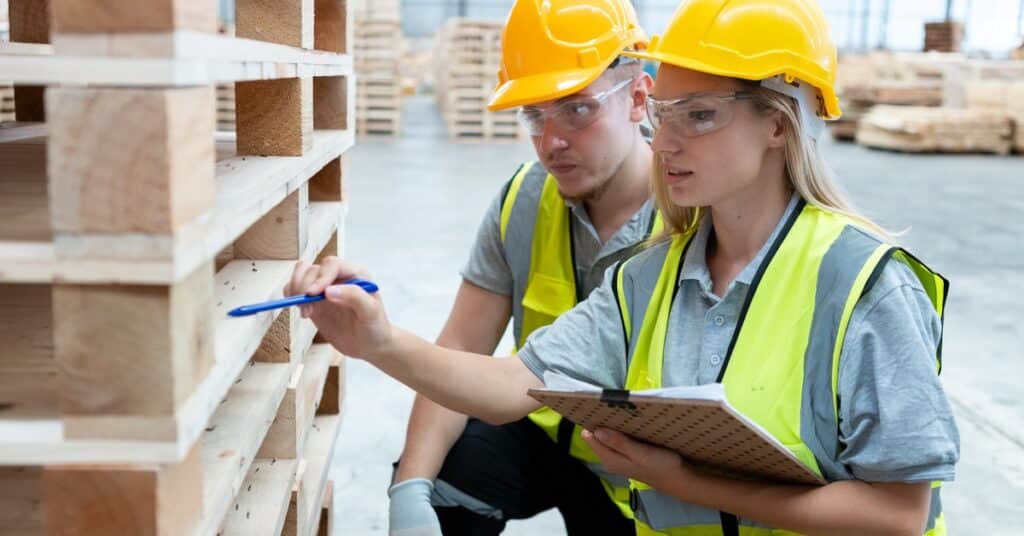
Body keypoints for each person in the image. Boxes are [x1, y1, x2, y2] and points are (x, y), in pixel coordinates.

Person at [287, 0, 960, 534]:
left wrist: (682, 482)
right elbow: (507, 383)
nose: (666, 141)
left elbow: (899, 514)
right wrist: (377, 342)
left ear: (778, 123)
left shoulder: (865, 287)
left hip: (636, 484)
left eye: (698, 116)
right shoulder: (650, 278)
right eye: (668, 117)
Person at [386, 1, 658, 533]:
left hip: (639, 471)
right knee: (447, 472)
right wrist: (410, 488)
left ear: (638, 99)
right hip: (540, 428)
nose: (550, 141)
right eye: (535, 114)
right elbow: (460, 348)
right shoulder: (526, 200)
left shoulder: (692, 221)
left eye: (577, 108)